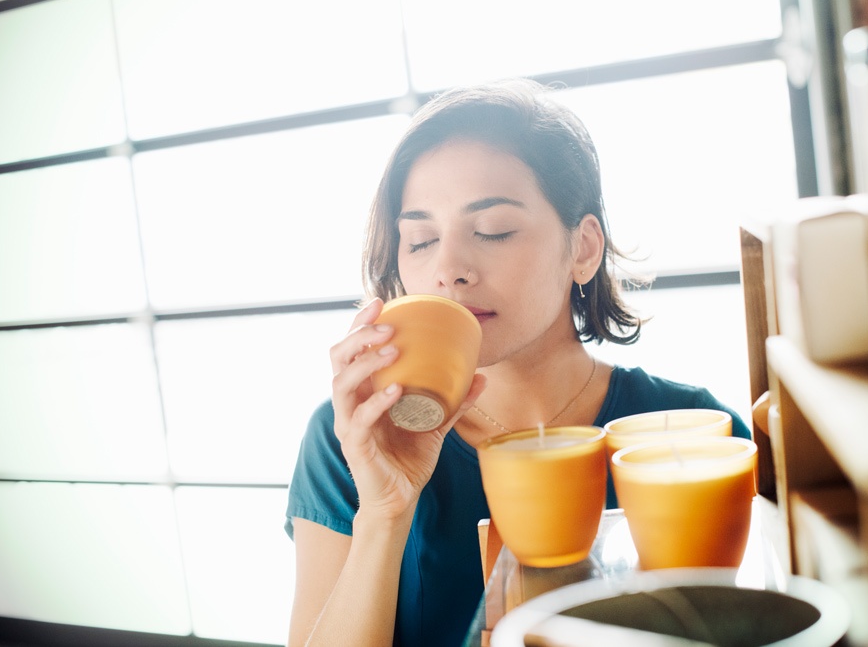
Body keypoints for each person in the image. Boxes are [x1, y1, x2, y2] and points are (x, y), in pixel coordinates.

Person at [284, 78, 750, 647]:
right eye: (421, 239)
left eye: (492, 230)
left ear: (582, 249)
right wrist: (384, 511)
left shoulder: (693, 430)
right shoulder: (351, 439)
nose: (449, 267)